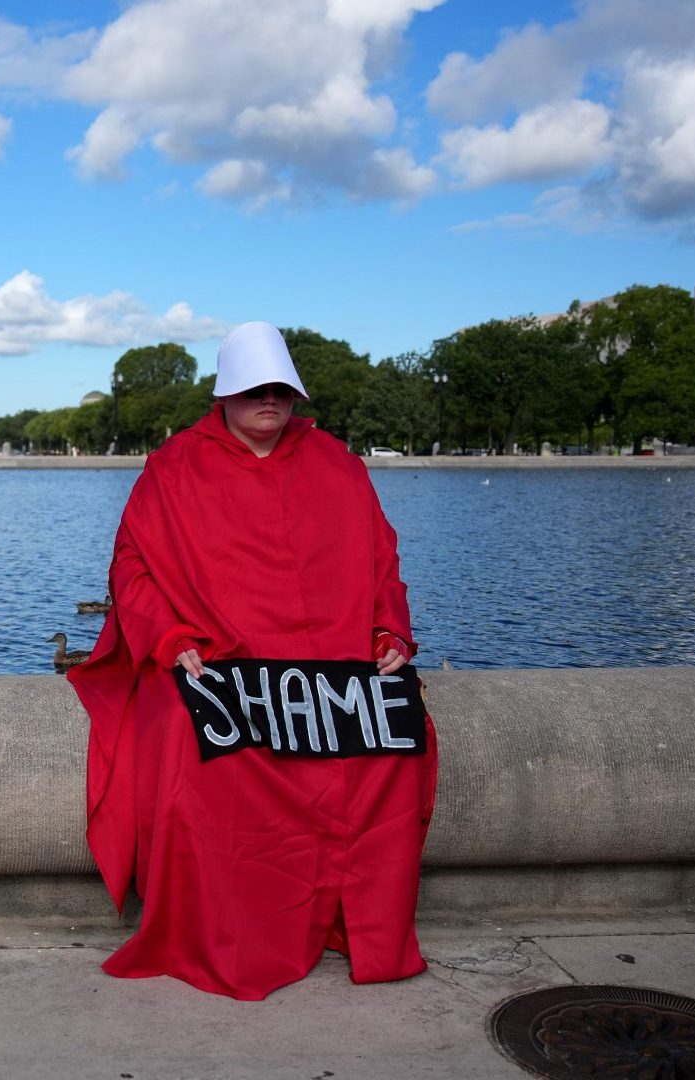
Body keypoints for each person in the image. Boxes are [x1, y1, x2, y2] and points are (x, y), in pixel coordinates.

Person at [68, 320, 435, 1001]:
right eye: (253, 389)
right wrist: (172, 642)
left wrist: (392, 635)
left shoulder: (337, 463)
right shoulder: (174, 465)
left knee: (395, 745)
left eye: (280, 389)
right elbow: (133, 569)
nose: (269, 400)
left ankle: (349, 922)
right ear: (225, 395)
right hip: (218, 662)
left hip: (329, 667)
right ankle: (232, 932)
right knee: (194, 745)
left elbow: (383, 564)